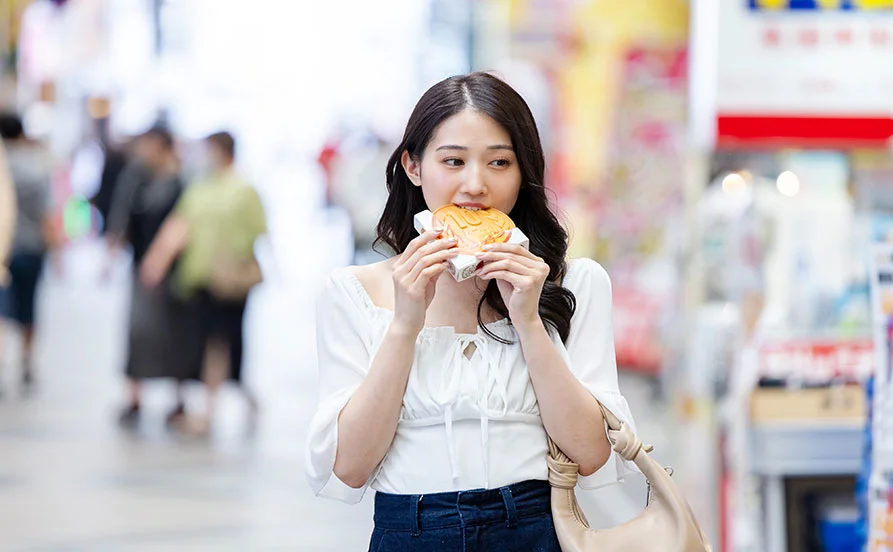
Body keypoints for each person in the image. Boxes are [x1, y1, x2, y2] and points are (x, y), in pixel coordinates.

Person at [305, 72, 637, 551]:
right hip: (409, 529)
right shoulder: (353, 292)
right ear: (414, 167)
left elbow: (592, 455)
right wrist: (404, 324)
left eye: (499, 162)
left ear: (524, 173)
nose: (475, 185)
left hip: (534, 526)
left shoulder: (573, 284)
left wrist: (527, 321)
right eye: (453, 161)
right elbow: (350, 469)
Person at [140, 131, 266, 436]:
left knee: (223, 342)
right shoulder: (200, 187)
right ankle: (224, 400)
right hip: (198, 279)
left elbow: (259, 232)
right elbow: (180, 224)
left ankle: (210, 410)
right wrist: (157, 260)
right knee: (207, 342)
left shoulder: (243, 189)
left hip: (229, 282)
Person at [106, 126, 198, 427]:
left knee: (177, 334)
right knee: (138, 331)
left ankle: (179, 398)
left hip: (177, 275)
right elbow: (123, 217)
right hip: (140, 270)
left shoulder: (185, 182)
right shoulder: (137, 178)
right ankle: (134, 397)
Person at [0, 113, 57, 392]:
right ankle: (26, 361)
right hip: (31, 249)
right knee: (28, 308)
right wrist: (57, 251)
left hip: (4, 250)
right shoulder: (35, 169)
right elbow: (47, 215)